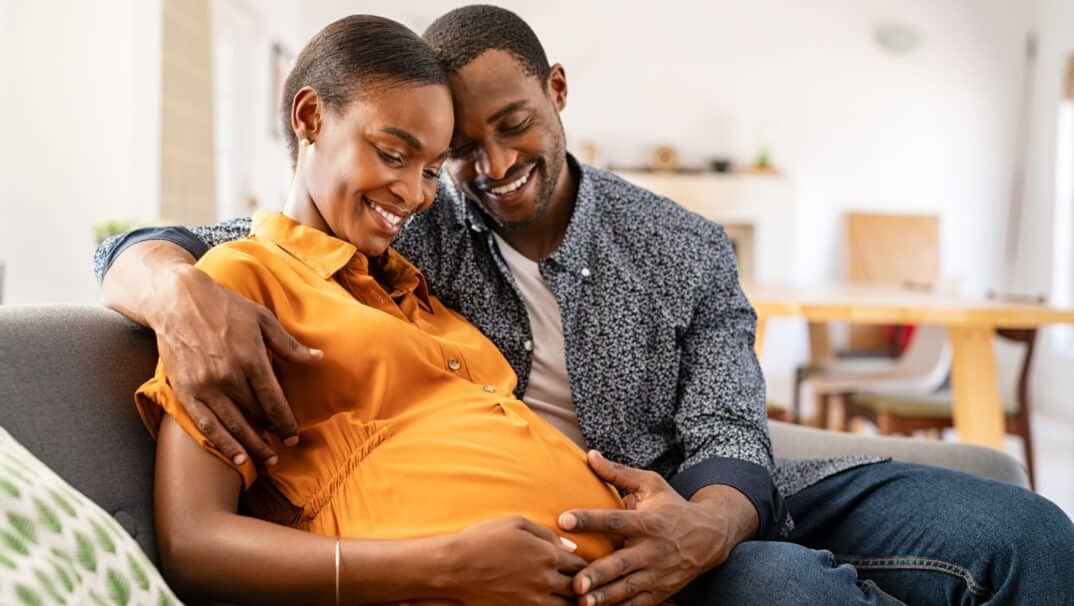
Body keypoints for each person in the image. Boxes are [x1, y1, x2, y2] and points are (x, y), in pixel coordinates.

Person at [96, 5, 1074, 605]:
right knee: (785, 590)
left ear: (557, 91)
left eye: (513, 126)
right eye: (448, 154)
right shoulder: (408, 227)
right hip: (593, 529)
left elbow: (730, 422)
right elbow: (186, 247)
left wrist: (708, 521)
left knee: (1029, 534)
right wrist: (173, 290)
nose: (491, 168)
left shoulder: (678, 242)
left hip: (705, 485)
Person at [136, 15, 622, 605]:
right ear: (311, 118)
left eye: (432, 171)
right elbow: (194, 545)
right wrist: (449, 566)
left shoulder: (415, 291)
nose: (417, 194)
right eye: (393, 153)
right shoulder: (236, 285)